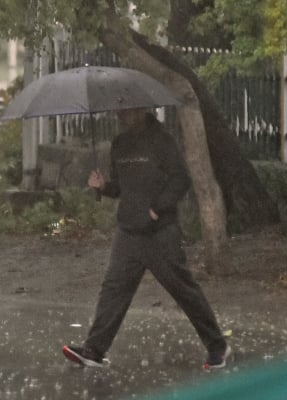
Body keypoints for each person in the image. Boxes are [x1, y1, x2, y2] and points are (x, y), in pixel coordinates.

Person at [62, 108, 230, 370]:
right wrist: (103, 187)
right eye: (119, 110)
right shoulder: (120, 144)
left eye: (127, 110)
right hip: (128, 232)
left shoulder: (162, 141)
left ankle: (217, 346)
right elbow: (121, 188)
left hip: (160, 232)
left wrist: (158, 207)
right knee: (113, 290)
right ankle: (94, 351)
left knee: (183, 289)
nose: (121, 114)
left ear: (143, 110)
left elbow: (181, 179)